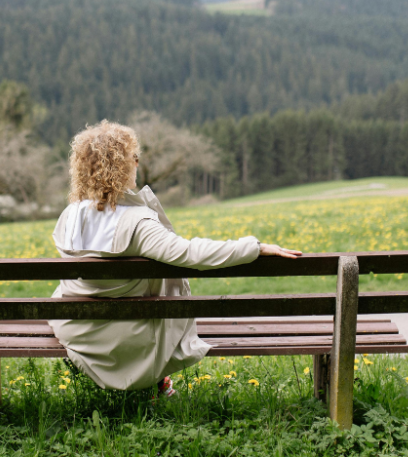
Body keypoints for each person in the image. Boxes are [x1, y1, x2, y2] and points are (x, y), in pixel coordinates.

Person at [49, 120, 301, 394]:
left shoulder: (70, 216)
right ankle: (157, 384)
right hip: (128, 336)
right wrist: (253, 247)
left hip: (79, 328)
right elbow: (191, 253)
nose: (137, 162)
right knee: (166, 284)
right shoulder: (137, 222)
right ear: (119, 166)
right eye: (133, 157)